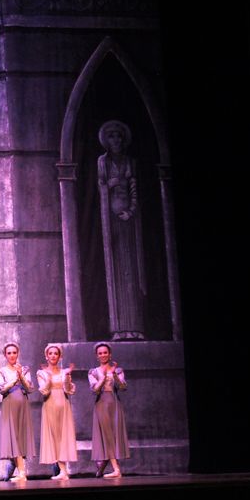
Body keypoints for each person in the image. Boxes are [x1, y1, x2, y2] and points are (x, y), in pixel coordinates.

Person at [97, 119, 146, 340]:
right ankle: (118, 328)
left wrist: (131, 212)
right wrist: (110, 185)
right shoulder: (103, 162)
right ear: (106, 141)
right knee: (115, 271)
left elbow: (134, 190)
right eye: (111, 136)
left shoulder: (130, 162)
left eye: (118, 136)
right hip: (111, 223)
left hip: (128, 222)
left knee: (131, 272)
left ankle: (135, 327)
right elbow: (101, 187)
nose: (115, 140)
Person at [88, 342, 130, 478]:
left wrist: (114, 375)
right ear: (96, 356)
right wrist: (105, 376)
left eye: (105, 352)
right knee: (106, 435)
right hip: (101, 404)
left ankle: (102, 467)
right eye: (100, 353)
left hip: (114, 404)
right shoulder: (93, 372)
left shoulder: (118, 370)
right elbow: (94, 389)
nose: (103, 355)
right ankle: (116, 469)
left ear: (110, 354)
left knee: (113, 435)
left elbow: (123, 387)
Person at [0, 342, 36, 481]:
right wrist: (14, 380)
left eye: (14, 352)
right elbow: (1, 389)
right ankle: (21, 472)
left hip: (23, 404)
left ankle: (20, 471)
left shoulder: (24, 369)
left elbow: (30, 388)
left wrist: (21, 376)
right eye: (9, 353)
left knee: (21, 435)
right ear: (5, 355)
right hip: (10, 404)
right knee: (14, 436)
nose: (12, 355)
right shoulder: (1, 371)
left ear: (18, 353)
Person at [37, 343, 77, 480]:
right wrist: (48, 377)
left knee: (64, 436)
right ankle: (62, 471)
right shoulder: (41, 373)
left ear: (60, 357)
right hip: (50, 404)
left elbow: (69, 390)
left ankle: (64, 471)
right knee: (54, 437)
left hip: (63, 404)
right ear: (46, 356)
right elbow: (44, 391)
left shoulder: (64, 372)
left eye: (56, 353)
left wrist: (67, 376)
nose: (53, 356)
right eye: (50, 353)